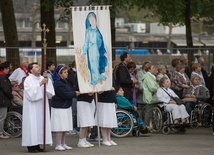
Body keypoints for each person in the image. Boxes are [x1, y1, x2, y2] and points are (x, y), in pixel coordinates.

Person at [22, 62, 55, 153]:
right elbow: (31, 94)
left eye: (38, 66)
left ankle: (38, 144)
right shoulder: (28, 80)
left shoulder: (42, 78)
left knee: (40, 125)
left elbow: (50, 92)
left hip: (42, 105)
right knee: (32, 125)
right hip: (32, 107)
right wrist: (40, 84)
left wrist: (47, 80)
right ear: (31, 70)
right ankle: (31, 146)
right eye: (36, 67)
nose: (38, 68)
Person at [51, 65, 80, 151]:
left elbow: (69, 91)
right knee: (60, 127)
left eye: (67, 72)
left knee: (64, 126)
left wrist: (73, 92)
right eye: (64, 72)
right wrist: (74, 94)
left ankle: (63, 143)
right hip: (59, 107)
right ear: (59, 74)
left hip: (66, 106)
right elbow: (64, 94)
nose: (67, 73)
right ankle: (58, 144)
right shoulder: (58, 83)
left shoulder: (65, 82)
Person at [82, 12, 108, 86]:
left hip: (98, 49)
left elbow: (101, 41)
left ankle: (98, 75)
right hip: (91, 49)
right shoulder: (88, 31)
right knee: (93, 63)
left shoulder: (97, 31)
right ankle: (94, 78)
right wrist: (84, 52)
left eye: (94, 19)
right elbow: (86, 42)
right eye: (91, 20)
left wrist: (104, 52)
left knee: (98, 62)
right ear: (89, 21)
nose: (93, 21)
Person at [75, 77, 96, 148]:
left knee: (88, 122)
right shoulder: (79, 78)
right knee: (84, 122)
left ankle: (84, 139)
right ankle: (80, 140)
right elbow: (78, 90)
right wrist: (87, 94)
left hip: (89, 100)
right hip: (82, 100)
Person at [0, 62, 13, 139]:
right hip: (3, 100)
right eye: (8, 68)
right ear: (4, 69)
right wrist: (10, 96)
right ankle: (0, 133)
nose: (8, 70)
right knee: (2, 117)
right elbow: (5, 89)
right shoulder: (2, 77)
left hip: (2, 99)